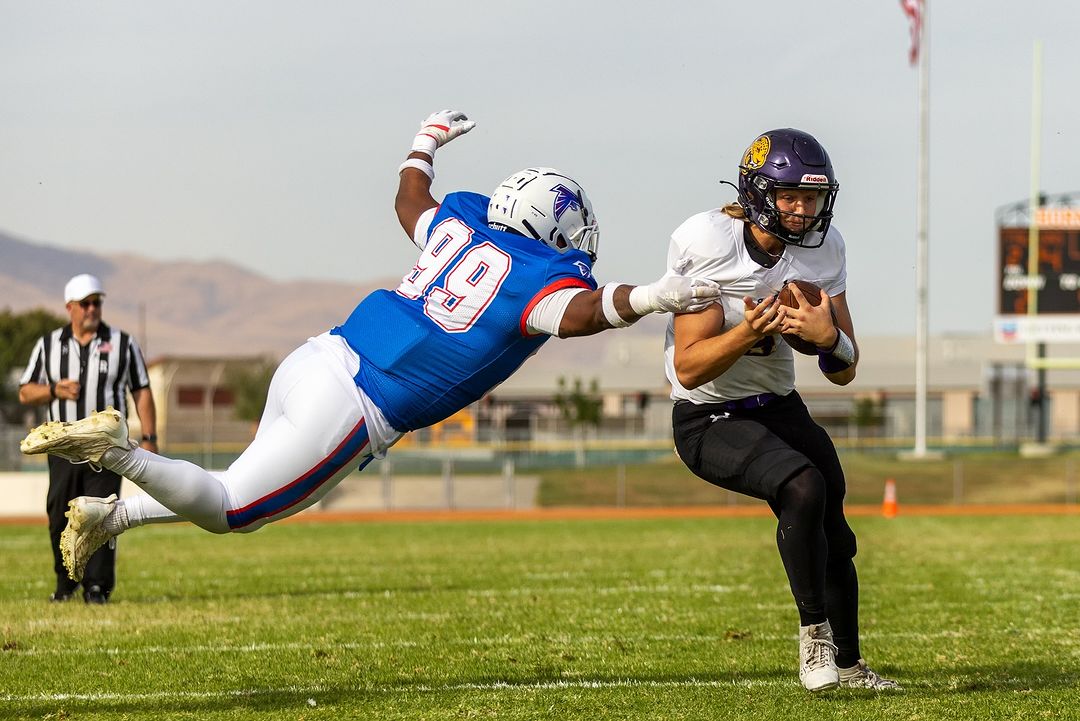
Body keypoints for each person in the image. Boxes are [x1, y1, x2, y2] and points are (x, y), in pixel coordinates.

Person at [20, 109, 721, 586]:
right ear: (550, 228)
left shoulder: (462, 224)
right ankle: (115, 452)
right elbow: (585, 312)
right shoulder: (537, 276)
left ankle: (113, 515)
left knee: (244, 479)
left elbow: (410, 198)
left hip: (319, 356)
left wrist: (426, 138)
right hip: (360, 405)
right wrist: (657, 295)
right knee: (234, 508)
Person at [663, 129, 899, 692]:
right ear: (758, 191)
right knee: (803, 485)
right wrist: (747, 331)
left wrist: (826, 339)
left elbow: (845, 369)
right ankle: (814, 643)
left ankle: (849, 665)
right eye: (789, 195)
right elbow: (690, 368)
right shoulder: (708, 241)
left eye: (811, 197)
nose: (801, 209)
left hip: (779, 405)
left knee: (838, 536)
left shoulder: (826, 247)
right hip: (708, 415)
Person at [18, 273, 158, 604]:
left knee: (104, 516)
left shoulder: (123, 343)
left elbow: (142, 390)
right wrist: (53, 389)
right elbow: (25, 391)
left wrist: (150, 437)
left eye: (97, 302)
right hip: (64, 448)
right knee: (59, 514)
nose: (93, 309)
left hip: (106, 447)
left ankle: (97, 586)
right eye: (85, 303)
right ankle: (66, 581)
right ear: (70, 308)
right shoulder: (49, 345)